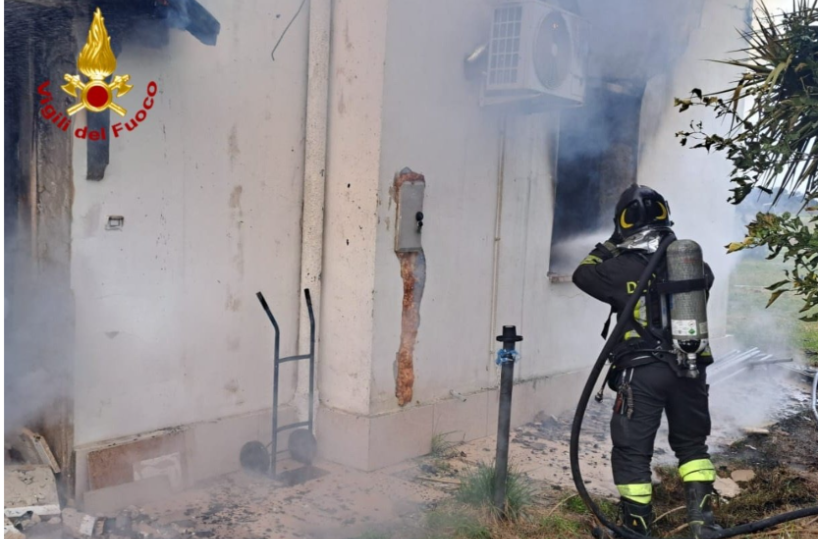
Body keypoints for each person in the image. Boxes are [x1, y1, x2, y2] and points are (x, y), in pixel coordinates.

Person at [572, 184, 720, 538]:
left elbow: (583, 273)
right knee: (693, 448)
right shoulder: (693, 263)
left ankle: (636, 529)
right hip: (690, 369)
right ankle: (704, 525)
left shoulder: (618, 267)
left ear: (623, 223)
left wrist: (608, 243)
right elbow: (706, 284)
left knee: (632, 452)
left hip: (642, 374)